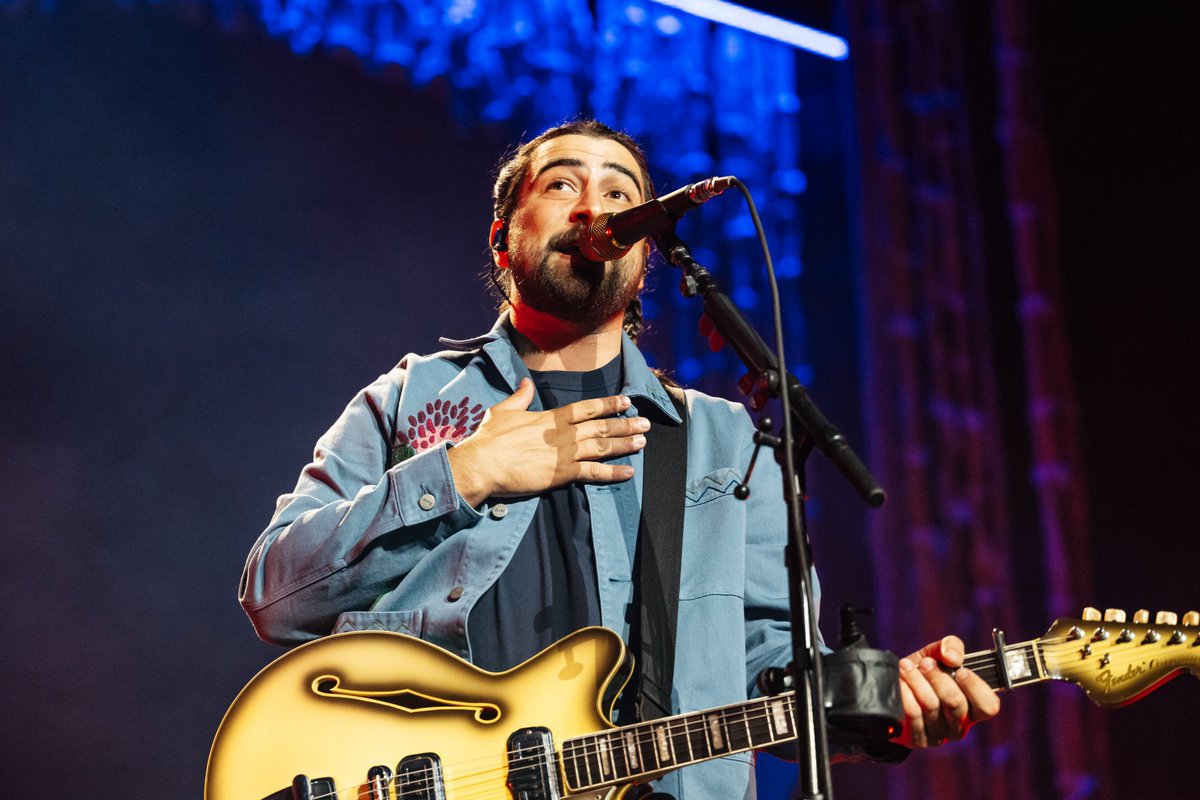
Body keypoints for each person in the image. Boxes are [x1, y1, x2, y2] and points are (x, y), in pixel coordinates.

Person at [240, 119, 1000, 798]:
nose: (591, 207)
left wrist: (885, 711)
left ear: (646, 258)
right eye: (562, 182)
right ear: (504, 235)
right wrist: (462, 475)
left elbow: (764, 668)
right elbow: (275, 591)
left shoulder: (726, 443)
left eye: (618, 191)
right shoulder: (409, 399)